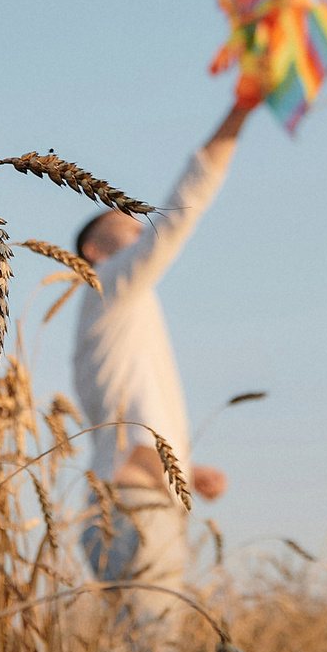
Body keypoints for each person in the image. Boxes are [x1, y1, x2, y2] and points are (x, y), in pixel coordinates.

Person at [71, 96, 254, 593]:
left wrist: (186, 471)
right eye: (129, 227)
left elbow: (126, 420)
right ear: (94, 251)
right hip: (138, 509)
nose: (141, 230)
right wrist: (237, 115)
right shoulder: (108, 285)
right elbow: (175, 221)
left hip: (119, 502)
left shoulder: (114, 321)